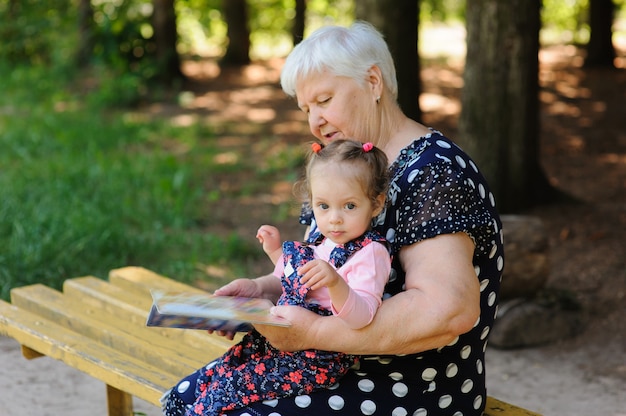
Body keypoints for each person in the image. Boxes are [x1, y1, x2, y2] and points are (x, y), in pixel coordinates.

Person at [165, 21, 503, 416]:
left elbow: (447, 311)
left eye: (324, 100)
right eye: (306, 108)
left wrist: (315, 333)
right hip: (325, 364)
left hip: (409, 384)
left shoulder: (435, 172)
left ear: (373, 82)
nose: (314, 121)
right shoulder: (344, 165)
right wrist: (263, 293)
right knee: (195, 396)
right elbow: (326, 271)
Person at [163, 139, 393, 416]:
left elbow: (363, 316)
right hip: (275, 345)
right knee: (199, 386)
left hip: (313, 358)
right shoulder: (324, 239)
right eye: (323, 206)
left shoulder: (370, 253)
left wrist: (336, 283)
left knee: (224, 397)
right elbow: (294, 282)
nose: (334, 219)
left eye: (350, 206)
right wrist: (273, 259)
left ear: (376, 204)